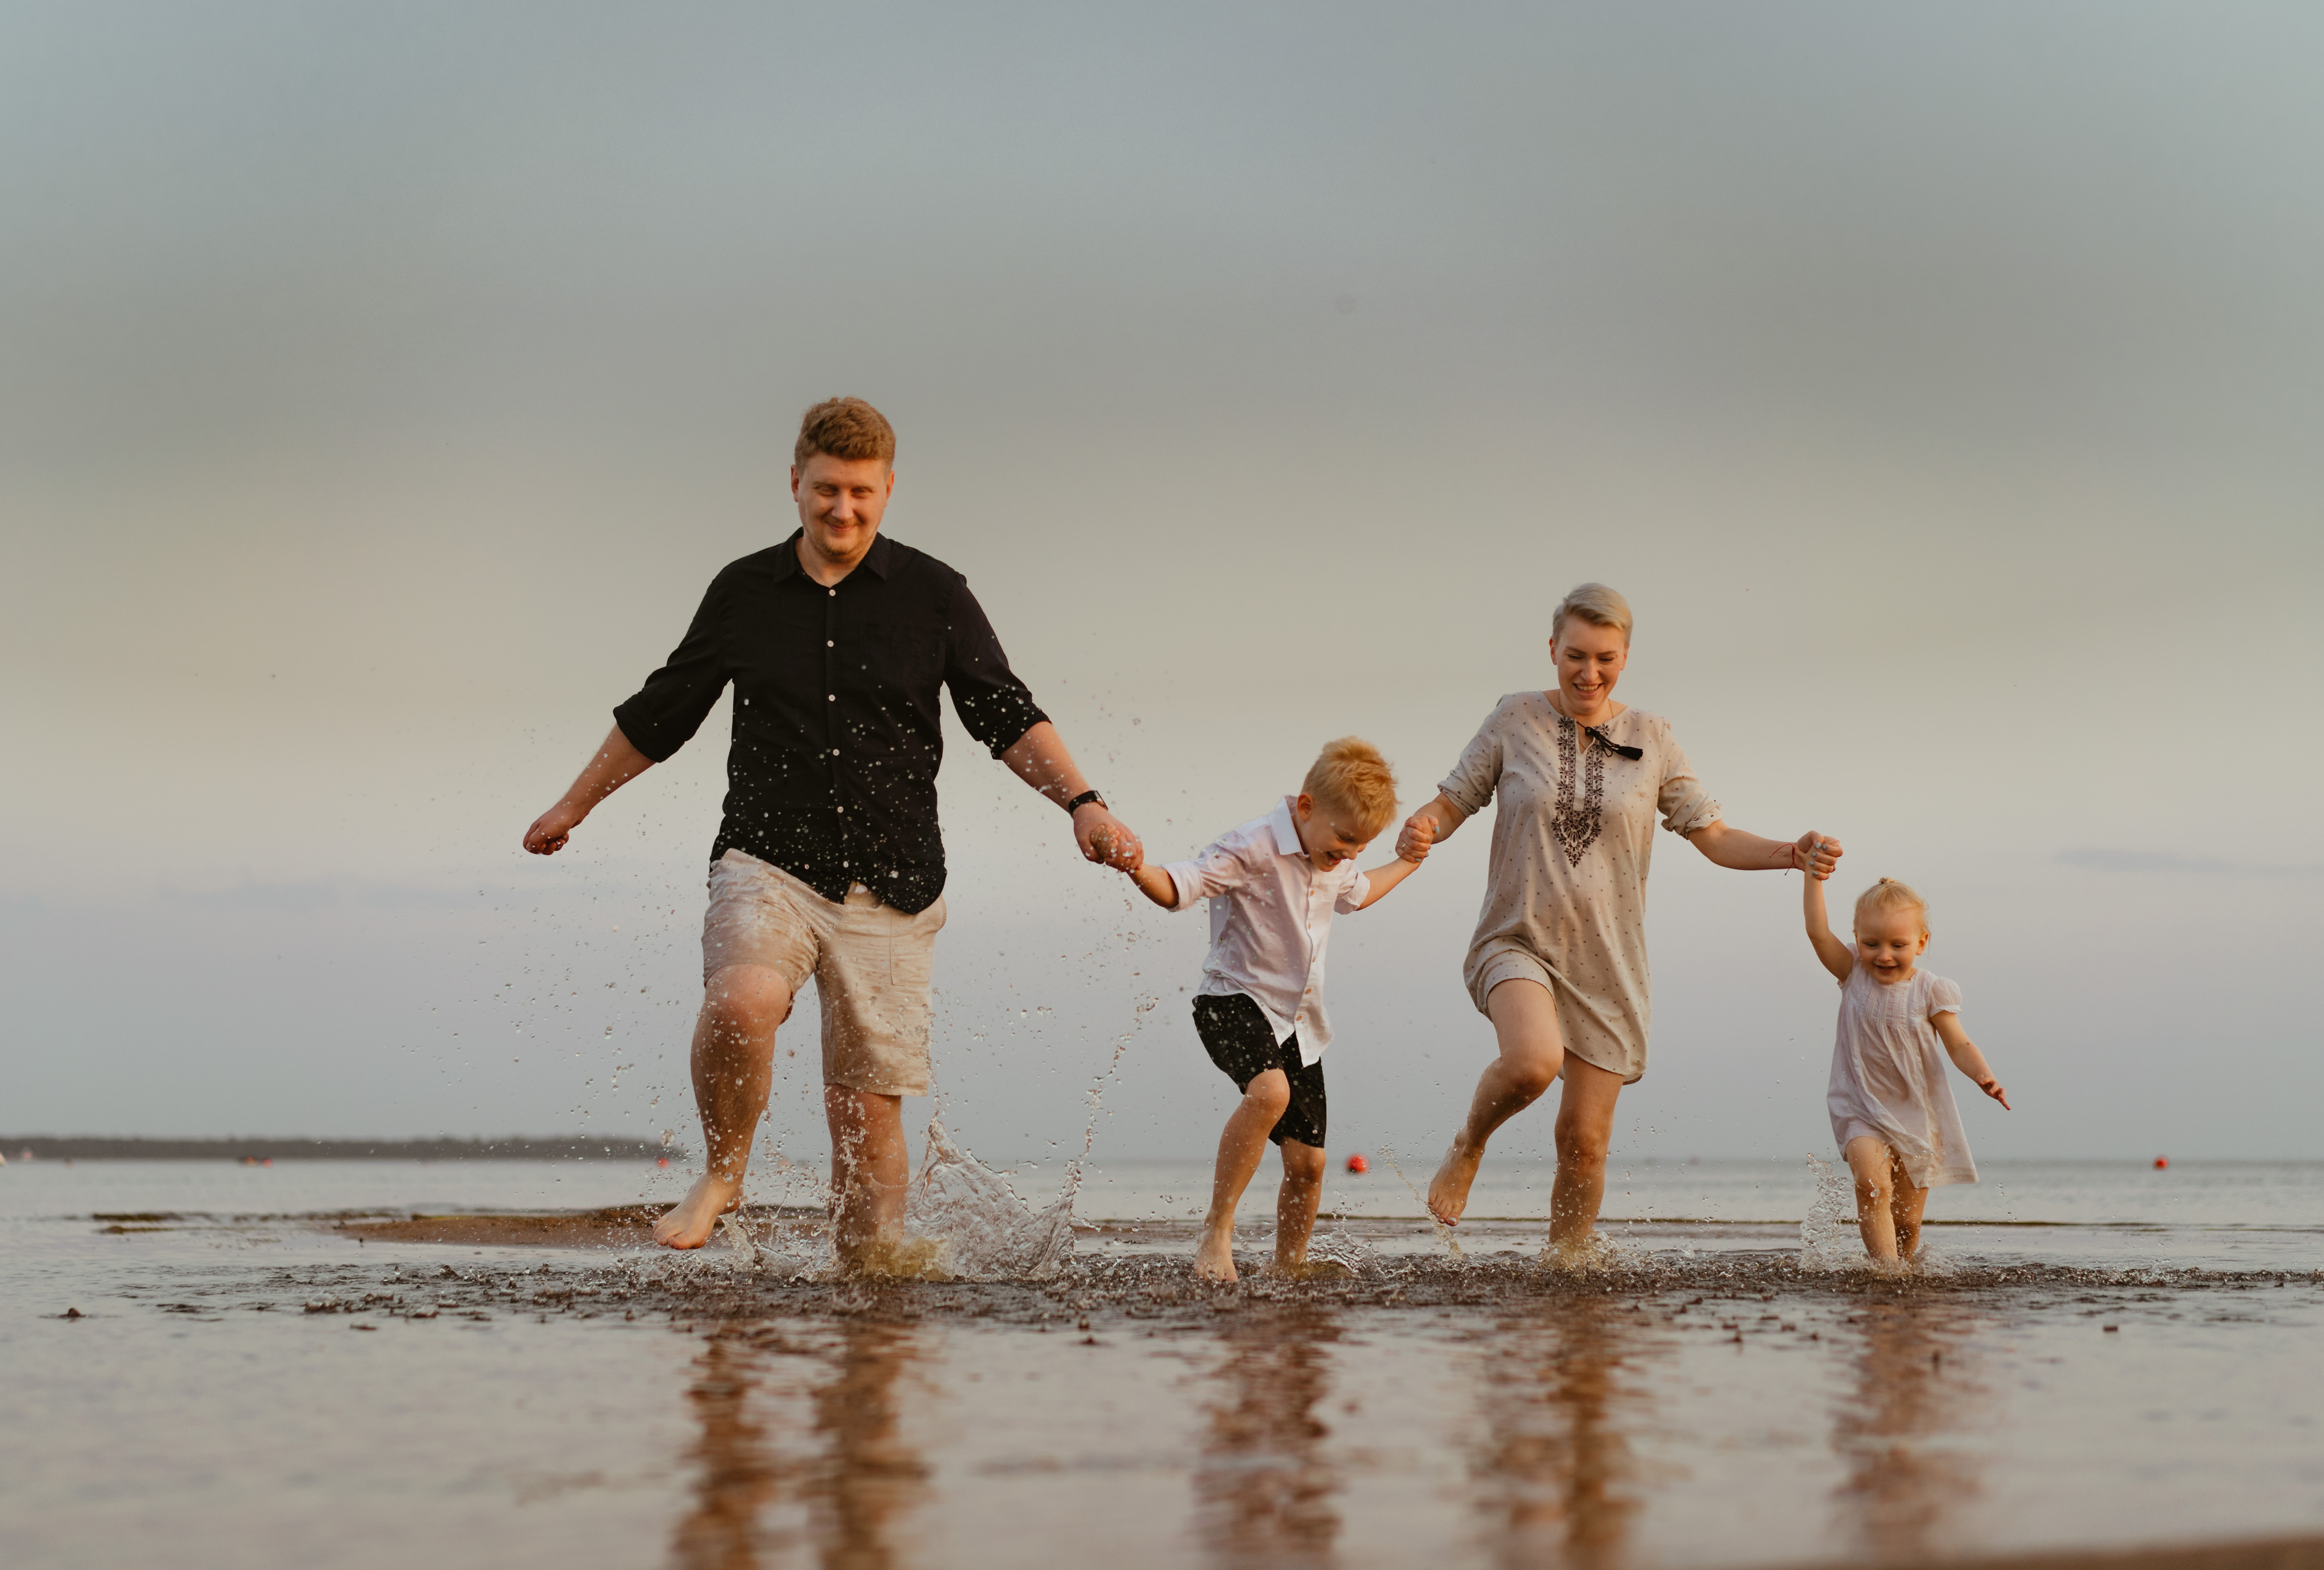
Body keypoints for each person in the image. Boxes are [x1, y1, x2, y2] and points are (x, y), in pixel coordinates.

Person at [521, 397, 1142, 1262]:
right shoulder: (744, 593)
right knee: (743, 1001)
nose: (841, 510)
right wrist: (572, 805)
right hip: (768, 861)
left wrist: (1084, 802)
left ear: (888, 489)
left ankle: (870, 1285)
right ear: (794, 483)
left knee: (864, 1111)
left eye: (859, 492)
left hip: (894, 879)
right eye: (824, 491)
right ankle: (723, 1172)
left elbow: (1004, 714)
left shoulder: (935, 595)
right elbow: (664, 710)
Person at [1396, 582, 1842, 1259]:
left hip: (1609, 962)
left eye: (1605, 657)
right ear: (1552, 649)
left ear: (1626, 656)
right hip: (1517, 939)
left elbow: (1713, 836)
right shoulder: (1513, 719)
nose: (1589, 672)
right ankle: (1469, 1145)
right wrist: (1420, 830)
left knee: (1585, 1143)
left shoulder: (1654, 737)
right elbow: (1452, 801)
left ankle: (1567, 1269)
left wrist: (1792, 852)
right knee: (1531, 1063)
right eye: (1575, 655)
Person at [1123, 739, 1428, 1282]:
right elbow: (1179, 887)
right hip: (1230, 1000)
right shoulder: (1251, 845)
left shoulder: (1333, 852)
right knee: (1270, 1092)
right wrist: (1134, 866)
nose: (1350, 855)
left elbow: (1358, 892)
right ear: (1306, 808)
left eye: (1361, 844)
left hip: (1297, 1023)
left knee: (1309, 1164)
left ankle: (1289, 1268)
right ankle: (1217, 1233)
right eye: (1343, 842)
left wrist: (1405, 861)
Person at [1802, 868, 2009, 1264]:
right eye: (1871, 943)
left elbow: (1959, 1042)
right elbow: (1817, 932)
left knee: (1908, 1222)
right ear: (1857, 938)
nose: (1883, 955)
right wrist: (1814, 876)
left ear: (1922, 942)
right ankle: (1886, 1275)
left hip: (1918, 1116)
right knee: (1871, 1185)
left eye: (1898, 944)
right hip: (1860, 1108)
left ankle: (1907, 1274)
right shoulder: (1852, 973)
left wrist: (1984, 1075)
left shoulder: (1931, 989)